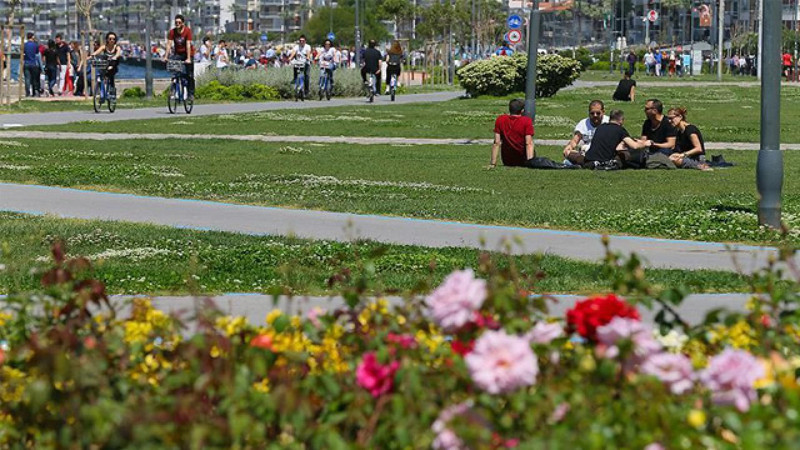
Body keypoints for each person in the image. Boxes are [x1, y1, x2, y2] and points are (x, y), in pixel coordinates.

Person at [584, 110, 648, 169]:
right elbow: (634, 146)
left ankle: (593, 164)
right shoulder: (619, 129)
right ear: (621, 120)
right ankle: (610, 165)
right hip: (605, 160)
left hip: (589, 158)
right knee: (626, 154)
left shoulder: (600, 127)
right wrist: (646, 143)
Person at [488, 99, 534, 168]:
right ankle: (530, 161)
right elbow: (528, 143)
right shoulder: (526, 121)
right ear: (522, 110)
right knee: (531, 142)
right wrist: (530, 162)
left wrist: (493, 163)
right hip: (522, 159)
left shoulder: (500, 119)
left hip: (507, 160)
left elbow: (496, 142)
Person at [563, 100, 609, 166]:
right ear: (589, 113)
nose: (595, 115)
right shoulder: (583, 124)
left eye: (598, 113)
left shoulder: (609, 122)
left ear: (603, 112)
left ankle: (579, 163)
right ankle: (590, 163)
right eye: (592, 113)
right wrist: (569, 147)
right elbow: (575, 140)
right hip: (587, 152)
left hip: (604, 151)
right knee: (568, 152)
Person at [165, 14, 195, 99]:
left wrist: (189, 58)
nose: (177, 24)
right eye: (176, 22)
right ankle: (173, 88)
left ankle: (190, 94)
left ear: (183, 23)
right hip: (178, 54)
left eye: (179, 22)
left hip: (188, 53)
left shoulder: (187, 31)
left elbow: (188, 45)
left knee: (189, 75)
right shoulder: (172, 32)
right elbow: (169, 44)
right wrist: (166, 56)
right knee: (174, 71)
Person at [23, 33, 41, 97]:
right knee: (34, 79)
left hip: (26, 63)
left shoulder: (24, 45)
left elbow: (23, 52)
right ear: (32, 37)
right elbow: (37, 53)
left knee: (27, 79)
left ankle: (27, 93)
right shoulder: (35, 45)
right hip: (33, 63)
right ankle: (34, 92)